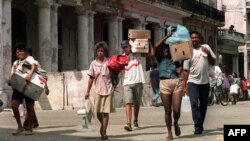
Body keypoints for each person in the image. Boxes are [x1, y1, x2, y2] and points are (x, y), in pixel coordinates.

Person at [183, 31, 216, 135]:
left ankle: (200, 124)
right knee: (193, 103)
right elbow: (185, 70)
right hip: (192, 81)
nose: (194, 39)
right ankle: (198, 125)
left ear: (199, 38)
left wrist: (208, 52)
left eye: (196, 37)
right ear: (190, 39)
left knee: (203, 105)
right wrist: (185, 86)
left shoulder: (205, 47)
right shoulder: (188, 51)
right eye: (192, 37)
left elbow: (213, 62)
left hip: (205, 82)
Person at [154, 38, 183, 140]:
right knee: (167, 110)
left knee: (176, 110)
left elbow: (180, 70)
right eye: (164, 49)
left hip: (176, 83)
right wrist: (167, 36)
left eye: (168, 48)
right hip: (164, 84)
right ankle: (169, 133)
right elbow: (156, 46)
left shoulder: (177, 59)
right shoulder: (160, 58)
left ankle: (175, 123)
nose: (166, 50)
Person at [85, 41, 115, 140]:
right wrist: (87, 91)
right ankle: (103, 125)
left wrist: (116, 84)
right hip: (98, 90)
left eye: (102, 51)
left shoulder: (109, 61)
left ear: (105, 52)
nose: (100, 52)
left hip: (109, 89)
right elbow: (90, 78)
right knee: (98, 112)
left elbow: (116, 72)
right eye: (98, 51)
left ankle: (104, 132)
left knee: (106, 112)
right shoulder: (93, 64)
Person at [7, 42, 39, 135]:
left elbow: (34, 65)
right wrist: (10, 80)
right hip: (18, 87)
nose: (19, 53)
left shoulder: (29, 58)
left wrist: (29, 74)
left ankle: (30, 129)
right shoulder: (15, 63)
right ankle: (19, 126)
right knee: (14, 105)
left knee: (29, 108)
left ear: (25, 52)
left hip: (29, 87)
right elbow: (12, 73)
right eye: (17, 52)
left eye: (21, 51)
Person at [121, 40, 145, 131]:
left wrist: (148, 41)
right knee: (128, 103)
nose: (125, 49)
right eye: (123, 47)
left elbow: (150, 52)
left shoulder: (137, 55)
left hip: (138, 81)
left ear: (130, 47)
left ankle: (135, 119)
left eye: (126, 47)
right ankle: (128, 123)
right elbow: (119, 71)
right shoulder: (122, 58)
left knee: (137, 103)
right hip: (127, 83)